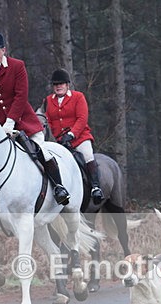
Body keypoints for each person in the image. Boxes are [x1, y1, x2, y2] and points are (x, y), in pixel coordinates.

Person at [0, 30, 70, 211]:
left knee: (42, 151)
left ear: (3, 49)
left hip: (23, 122)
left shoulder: (17, 66)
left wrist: (10, 121)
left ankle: (59, 187)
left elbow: (21, 96)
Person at [43, 69, 104, 204]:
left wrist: (71, 134)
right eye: (56, 84)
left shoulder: (78, 97)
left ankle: (95, 187)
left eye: (61, 84)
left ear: (67, 85)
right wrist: (56, 136)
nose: (58, 86)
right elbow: (49, 120)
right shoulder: (48, 100)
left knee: (88, 156)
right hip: (60, 141)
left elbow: (82, 119)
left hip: (80, 138)